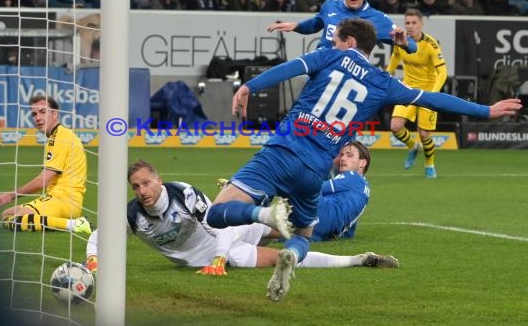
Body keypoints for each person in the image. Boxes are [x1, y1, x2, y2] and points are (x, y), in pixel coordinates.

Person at [205, 18, 521, 302]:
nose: (332, 44)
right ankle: (289, 254)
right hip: (315, 170)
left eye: (336, 40)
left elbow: (290, 68)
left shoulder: (329, 55)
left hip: (281, 152)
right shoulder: (383, 83)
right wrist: (486, 111)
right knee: (302, 235)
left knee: (215, 214)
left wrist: (248, 86)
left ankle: (263, 215)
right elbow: (432, 98)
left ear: (350, 43)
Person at [84, 160, 399, 274]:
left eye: (146, 182)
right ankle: (357, 260)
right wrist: (93, 258)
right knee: (282, 258)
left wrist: (219, 259)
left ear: (158, 179)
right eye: (136, 186)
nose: (141, 190)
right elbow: (101, 234)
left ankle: (305, 221)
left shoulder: (183, 194)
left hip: (223, 242)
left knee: (291, 230)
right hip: (215, 251)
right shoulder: (133, 214)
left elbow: (216, 224)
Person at [218, 140, 372, 242]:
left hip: (322, 212)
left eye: (349, 155)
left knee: (298, 173)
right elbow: (350, 226)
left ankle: (247, 191)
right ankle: (248, 225)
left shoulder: (351, 176)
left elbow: (315, 188)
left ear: (362, 163)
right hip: (322, 229)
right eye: (342, 154)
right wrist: (338, 235)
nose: (343, 158)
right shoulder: (364, 188)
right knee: (276, 231)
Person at [0, 96, 91, 234]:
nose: (38, 117)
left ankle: (74, 224)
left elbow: (42, 181)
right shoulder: (57, 136)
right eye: (34, 114)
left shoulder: (60, 137)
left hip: (65, 201)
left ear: (55, 114)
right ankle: (70, 222)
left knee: (16, 220)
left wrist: (11, 195)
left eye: (43, 112)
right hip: (55, 198)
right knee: (7, 214)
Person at [266, 0, 418, 53]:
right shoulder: (330, 5)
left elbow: (413, 46)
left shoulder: (378, 18)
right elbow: (316, 23)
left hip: (348, 78)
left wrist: (405, 44)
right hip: (320, 70)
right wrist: (297, 27)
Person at [386, 9, 447, 178]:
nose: (410, 26)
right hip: (408, 89)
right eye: (407, 23)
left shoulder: (431, 44)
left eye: (414, 23)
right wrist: (385, 80)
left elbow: (442, 72)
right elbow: (392, 64)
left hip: (428, 91)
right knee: (395, 127)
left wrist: (434, 93)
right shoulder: (401, 41)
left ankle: (430, 165)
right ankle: (413, 146)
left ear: (421, 24)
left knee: (425, 133)